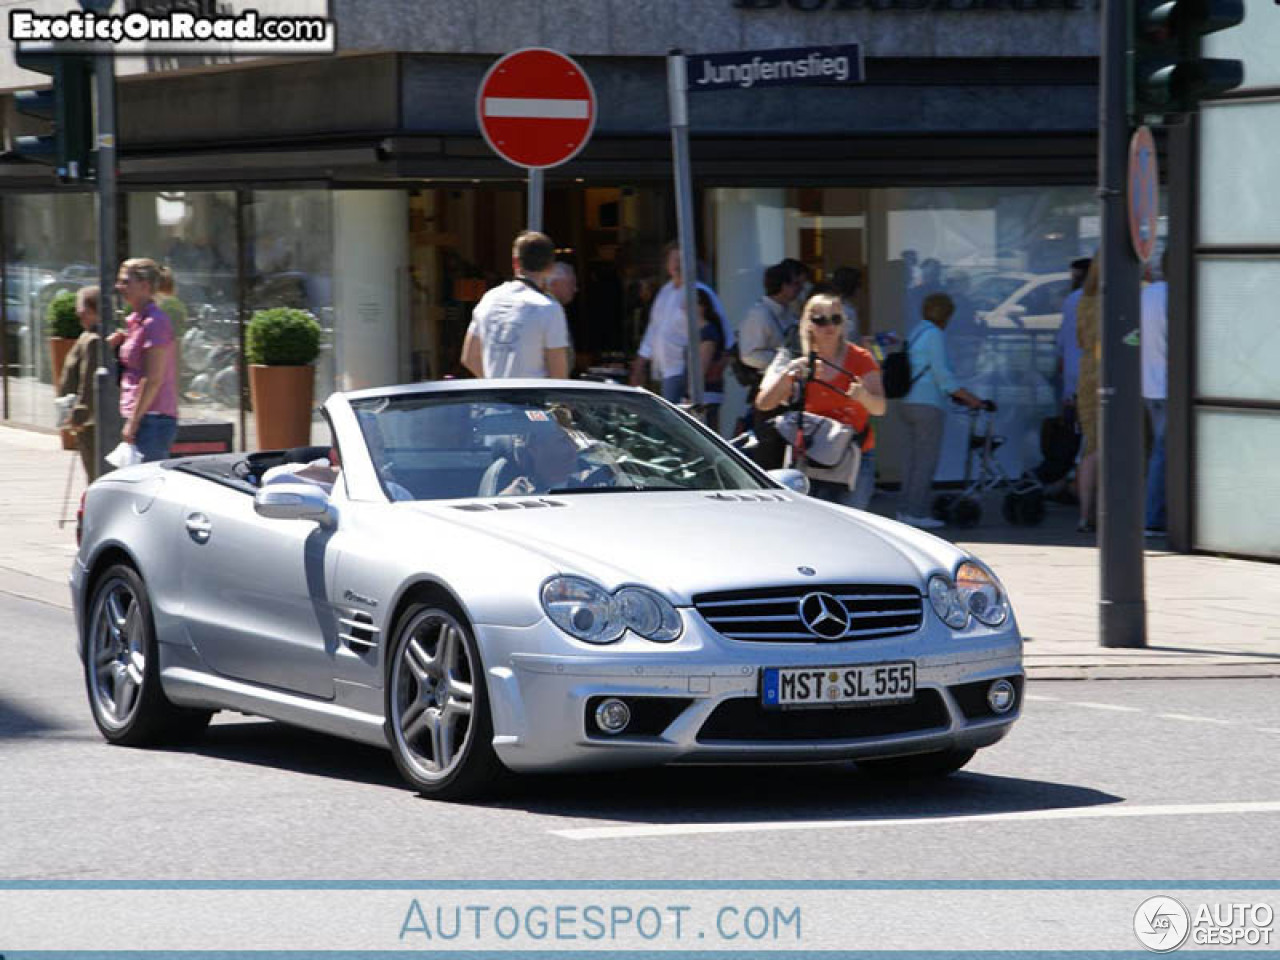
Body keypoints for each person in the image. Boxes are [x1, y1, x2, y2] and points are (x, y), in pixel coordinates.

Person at [755, 293, 886, 510]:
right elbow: (764, 403)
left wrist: (863, 396)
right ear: (808, 324)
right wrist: (788, 375)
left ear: (843, 323)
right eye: (820, 320)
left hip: (852, 457)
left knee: (850, 525)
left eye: (835, 319)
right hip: (808, 457)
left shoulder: (861, 358)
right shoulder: (793, 356)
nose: (829, 326)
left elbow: (880, 408)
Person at [898, 292, 986, 529]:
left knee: (911, 461)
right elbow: (943, 377)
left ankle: (904, 509)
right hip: (927, 405)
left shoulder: (917, 331)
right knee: (925, 461)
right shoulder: (935, 334)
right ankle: (915, 513)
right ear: (946, 315)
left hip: (907, 402)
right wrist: (971, 398)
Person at [461, 231, 570, 379]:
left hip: (495, 399)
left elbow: (469, 357)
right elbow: (558, 374)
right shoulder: (549, 309)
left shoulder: (489, 299)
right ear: (550, 267)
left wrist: (495, 385)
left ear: (515, 262)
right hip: (532, 399)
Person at [628, 242, 726, 403]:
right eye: (673, 259)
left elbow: (723, 335)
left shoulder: (700, 292)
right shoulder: (665, 292)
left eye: (681, 259)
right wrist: (639, 365)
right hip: (661, 371)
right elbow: (653, 330)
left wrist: (711, 371)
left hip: (683, 371)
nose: (677, 264)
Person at [107, 258, 180, 463]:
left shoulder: (155, 322)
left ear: (145, 286)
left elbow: (153, 378)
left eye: (125, 282)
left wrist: (133, 421)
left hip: (153, 419)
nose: (119, 287)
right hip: (143, 416)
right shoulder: (136, 321)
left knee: (147, 487)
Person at [56, 286, 102, 481]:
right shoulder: (86, 336)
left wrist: (80, 414)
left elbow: (88, 381)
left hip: (89, 422)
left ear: (94, 309)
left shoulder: (93, 340)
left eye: (82, 309)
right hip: (85, 420)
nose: (78, 314)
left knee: (94, 471)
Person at [1141, 248, 1169, 537]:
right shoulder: (1174, 295)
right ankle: (1154, 517)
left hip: (1148, 385)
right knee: (1164, 453)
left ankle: (1154, 515)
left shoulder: (1145, 295)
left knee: (1158, 452)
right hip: (1170, 386)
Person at [1074, 258, 1102, 532]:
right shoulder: (1127, 297)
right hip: (1112, 375)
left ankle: (1085, 513)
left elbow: (1080, 339)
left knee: (1090, 448)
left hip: (1086, 376)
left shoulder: (1083, 301)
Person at [1056, 257, 1090, 419]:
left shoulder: (1073, 298)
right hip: (1088, 366)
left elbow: (1062, 336)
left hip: (1072, 363)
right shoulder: (1096, 298)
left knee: (1074, 412)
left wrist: (1061, 357)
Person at [696, 288, 727, 433]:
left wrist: (690, 392)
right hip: (706, 392)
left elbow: (702, 366)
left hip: (706, 393)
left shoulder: (708, 332)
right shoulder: (701, 331)